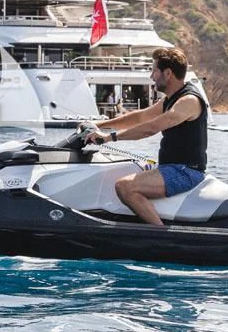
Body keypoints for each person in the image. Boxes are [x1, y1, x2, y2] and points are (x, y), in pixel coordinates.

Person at [84, 48, 207, 226]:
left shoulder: (188, 101)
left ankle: (160, 237)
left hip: (185, 171)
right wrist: (98, 124)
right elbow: (141, 117)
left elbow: (151, 128)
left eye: (154, 70)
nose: (151, 76)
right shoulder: (170, 99)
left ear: (168, 73)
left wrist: (107, 138)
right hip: (171, 168)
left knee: (125, 186)